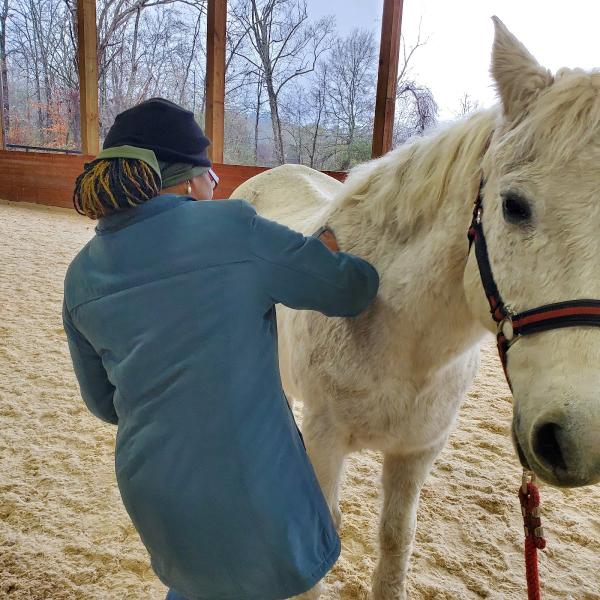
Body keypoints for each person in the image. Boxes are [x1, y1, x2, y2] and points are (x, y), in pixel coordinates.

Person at [63, 97, 379, 600]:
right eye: (210, 173)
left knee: (196, 587)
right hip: (253, 488)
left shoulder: (80, 275)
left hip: (153, 492)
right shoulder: (233, 227)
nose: (217, 185)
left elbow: (105, 405)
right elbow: (351, 290)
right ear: (188, 179)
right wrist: (329, 253)